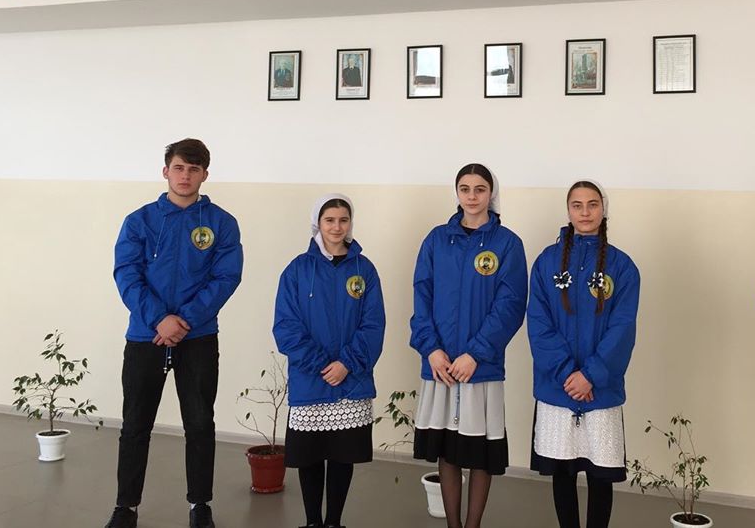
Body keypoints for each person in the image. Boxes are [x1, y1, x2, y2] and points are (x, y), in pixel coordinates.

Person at [105, 139, 244, 528]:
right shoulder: (139, 221)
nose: (185, 176)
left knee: (199, 424)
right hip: (145, 336)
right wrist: (158, 320)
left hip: (197, 337)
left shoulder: (221, 223)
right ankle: (126, 507)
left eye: (194, 170)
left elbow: (226, 277)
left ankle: (200, 505)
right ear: (166, 171)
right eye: (179, 168)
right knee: (135, 424)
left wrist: (184, 320)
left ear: (205, 175)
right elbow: (126, 274)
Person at [409, 163, 528, 528]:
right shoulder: (436, 240)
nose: (472, 196)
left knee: (480, 454)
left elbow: (510, 306)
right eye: (465, 188)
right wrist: (432, 350)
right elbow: (421, 296)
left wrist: (475, 353)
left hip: (481, 367)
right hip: (442, 366)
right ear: (457, 193)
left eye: (480, 189)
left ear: (491, 193)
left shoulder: (507, 244)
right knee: (448, 452)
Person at [527, 181, 640, 528]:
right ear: (568, 211)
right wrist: (567, 374)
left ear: (603, 209)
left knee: (599, 476)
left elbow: (622, 328)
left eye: (592, 204)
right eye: (577, 205)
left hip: (600, 390)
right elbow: (538, 323)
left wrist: (591, 375)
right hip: (557, 388)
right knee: (562, 474)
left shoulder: (622, 266)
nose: (585, 212)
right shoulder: (546, 262)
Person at [273, 194, 385, 528]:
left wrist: (347, 364)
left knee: (341, 457)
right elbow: (286, 327)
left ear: (351, 223)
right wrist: (324, 366)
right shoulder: (297, 270)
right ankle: (312, 522)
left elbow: (373, 325)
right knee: (310, 458)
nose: (337, 227)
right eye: (330, 220)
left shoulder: (365, 270)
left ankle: (334, 521)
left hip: (351, 382)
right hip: (311, 381)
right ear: (317, 224)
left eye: (343, 220)